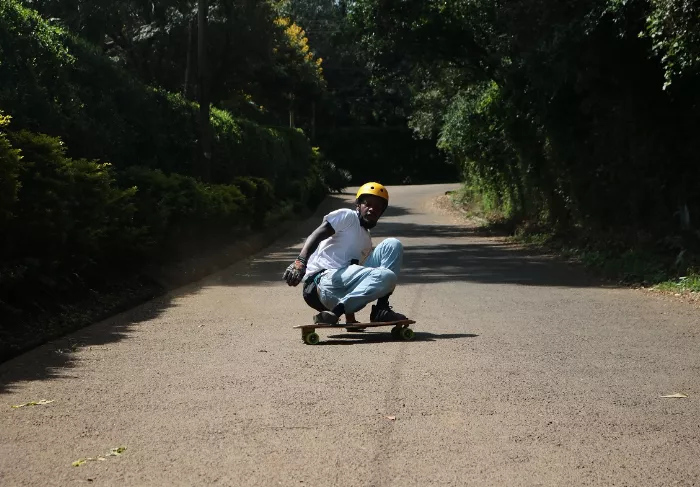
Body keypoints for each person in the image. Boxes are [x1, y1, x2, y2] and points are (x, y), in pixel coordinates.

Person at [282, 182, 408, 326]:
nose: (373, 209)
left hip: (341, 290)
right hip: (320, 284)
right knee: (386, 275)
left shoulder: (366, 239)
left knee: (393, 245)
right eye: (368, 204)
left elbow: (353, 275)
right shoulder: (348, 217)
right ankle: (337, 311)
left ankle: (381, 309)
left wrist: (351, 319)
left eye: (378, 207)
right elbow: (317, 234)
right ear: (358, 205)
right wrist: (300, 261)